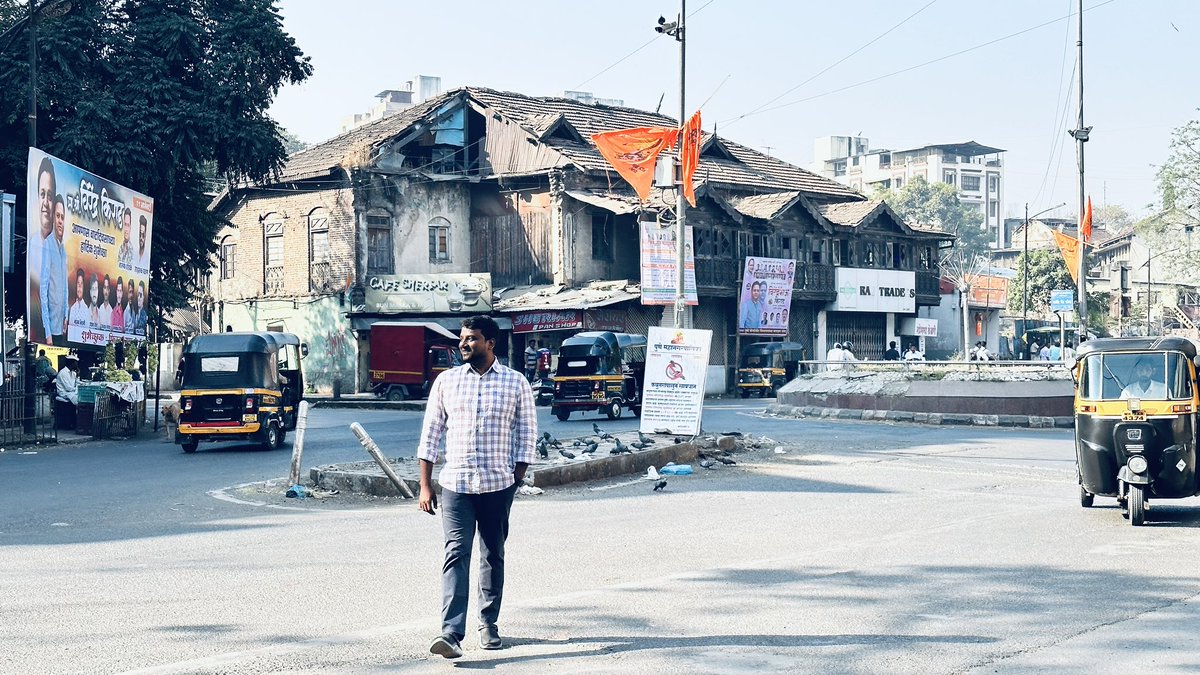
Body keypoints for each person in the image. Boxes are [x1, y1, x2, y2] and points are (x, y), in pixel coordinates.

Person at [417, 315, 536, 659]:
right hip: (455, 485)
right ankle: (451, 633)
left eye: (470, 338)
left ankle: (488, 623)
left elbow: (527, 436)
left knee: (492, 554)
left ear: (490, 343)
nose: (463, 344)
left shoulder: (516, 383)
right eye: (462, 338)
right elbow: (430, 435)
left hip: (499, 485)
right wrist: (425, 486)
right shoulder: (447, 382)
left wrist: (516, 477)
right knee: (456, 552)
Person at [41, 194, 68, 345]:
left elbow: (64, 286)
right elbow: (43, 289)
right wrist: (47, 332)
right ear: (52, 218)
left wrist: (66, 314)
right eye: (57, 216)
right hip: (51, 332)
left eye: (62, 217)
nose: (60, 221)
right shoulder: (47, 244)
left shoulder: (63, 249)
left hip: (61, 328)